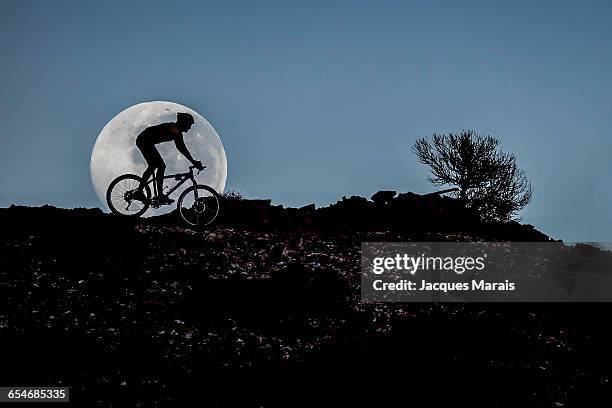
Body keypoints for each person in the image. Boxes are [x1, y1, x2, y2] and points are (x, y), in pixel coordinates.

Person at [134, 112, 203, 204]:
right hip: (144, 140)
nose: (190, 127)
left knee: (158, 166)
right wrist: (193, 161)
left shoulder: (177, 132)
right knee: (158, 166)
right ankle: (143, 192)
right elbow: (181, 147)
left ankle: (157, 195)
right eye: (189, 124)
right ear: (184, 122)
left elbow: (182, 148)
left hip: (147, 141)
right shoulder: (173, 128)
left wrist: (193, 161)